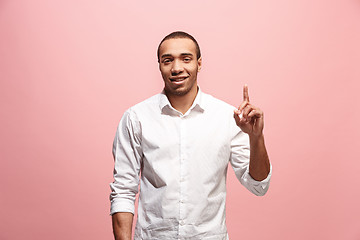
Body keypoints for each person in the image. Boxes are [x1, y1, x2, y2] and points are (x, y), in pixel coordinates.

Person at [109, 31, 272, 240]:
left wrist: (256, 138)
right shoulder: (136, 118)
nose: (177, 68)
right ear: (159, 65)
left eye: (186, 59)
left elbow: (258, 186)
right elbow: (123, 190)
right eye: (168, 60)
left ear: (199, 63)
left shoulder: (227, 117)